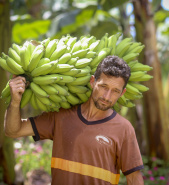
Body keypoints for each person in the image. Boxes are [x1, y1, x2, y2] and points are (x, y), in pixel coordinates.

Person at [4, 55, 144, 185]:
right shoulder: (61, 116)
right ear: (92, 81)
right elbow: (13, 131)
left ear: (122, 93)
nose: (107, 96)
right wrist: (15, 102)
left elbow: (134, 177)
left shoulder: (124, 128)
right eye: (103, 86)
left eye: (115, 91)